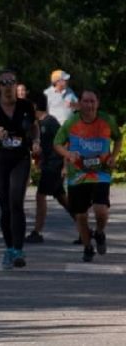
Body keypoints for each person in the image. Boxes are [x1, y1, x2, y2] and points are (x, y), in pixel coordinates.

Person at [0, 70, 40, 269]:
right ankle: (9, 247)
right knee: (5, 206)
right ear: (0, 87)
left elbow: (34, 126)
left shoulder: (26, 106)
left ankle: (19, 251)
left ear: (16, 86)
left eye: (12, 83)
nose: (8, 87)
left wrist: (36, 141)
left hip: (20, 158)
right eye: (4, 83)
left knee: (16, 202)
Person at [54, 89, 122, 262]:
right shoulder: (71, 122)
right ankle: (87, 247)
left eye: (92, 101)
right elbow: (57, 143)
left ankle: (99, 233)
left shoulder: (107, 120)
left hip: (101, 173)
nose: (89, 105)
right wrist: (68, 155)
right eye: (86, 101)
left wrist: (113, 156)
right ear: (80, 103)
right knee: (81, 215)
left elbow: (118, 138)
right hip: (77, 175)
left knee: (101, 210)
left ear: (97, 103)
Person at [24, 93, 75, 243]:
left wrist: (65, 165)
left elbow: (66, 141)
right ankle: (85, 228)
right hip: (48, 165)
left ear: (34, 106)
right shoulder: (37, 124)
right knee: (63, 199)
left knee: (40, 196)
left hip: (55, 165)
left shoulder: (50, 122)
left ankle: (37, 232)